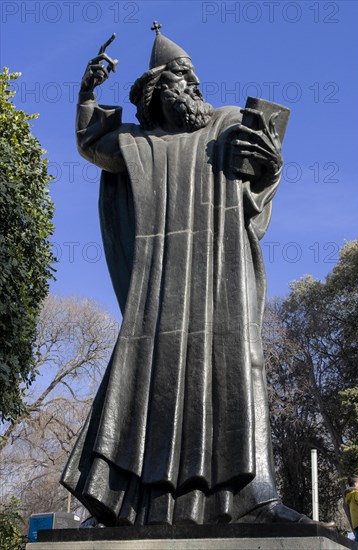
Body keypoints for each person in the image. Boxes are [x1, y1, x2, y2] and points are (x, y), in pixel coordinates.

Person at [61, 24, 330, 527]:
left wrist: (270, 169)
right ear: (157, 89)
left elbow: (260, 177)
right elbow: (94, 144)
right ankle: (127, 502)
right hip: (160, 291)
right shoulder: (139, 145)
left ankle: (254, 496)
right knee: (145, 378)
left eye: (196, 79)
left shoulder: (228, 123)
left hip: (221, 281)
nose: (196, 87)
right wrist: (87, 93)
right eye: (184, 78)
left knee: (237, 371)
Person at [345, 475, 358, 546]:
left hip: (355, 522)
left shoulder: (349, 495)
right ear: (355, 484)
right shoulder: (356, 493)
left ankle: (355, 548)